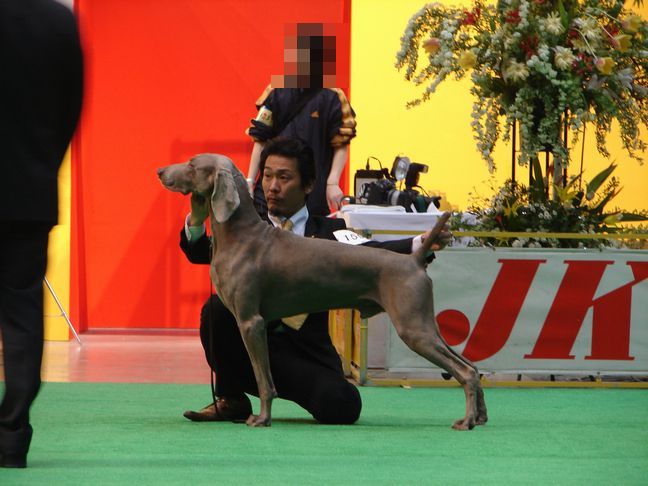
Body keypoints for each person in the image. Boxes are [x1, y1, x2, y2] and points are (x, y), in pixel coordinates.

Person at [181, 137, 450, 425]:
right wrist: (196, 221)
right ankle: (232, 398)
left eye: (284, 177)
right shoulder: (246, 228)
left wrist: (418, 243)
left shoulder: (329, 230)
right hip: (252, 350)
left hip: (303, 356)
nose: (272, 187)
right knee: (217, 310)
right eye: (267, 176)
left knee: (341, 405)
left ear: (308, 185)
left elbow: (370, 253)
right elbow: (200, 252)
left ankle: (296, 390)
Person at [0, 0, 83, 468]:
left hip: (29, 186)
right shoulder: (58, 20)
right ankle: (11, 435)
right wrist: (42, 165)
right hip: (30, 193)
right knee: (23, 316)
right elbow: (71, 108)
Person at [246, 22, 356, 217]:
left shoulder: (333, 97)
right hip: (270, 193)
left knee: (309, 233)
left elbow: (341, 143)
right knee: (267, 232)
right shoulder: (276, 91)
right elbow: (260, 139)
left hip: (311, 192)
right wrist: (249, 180)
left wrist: (332, 183)